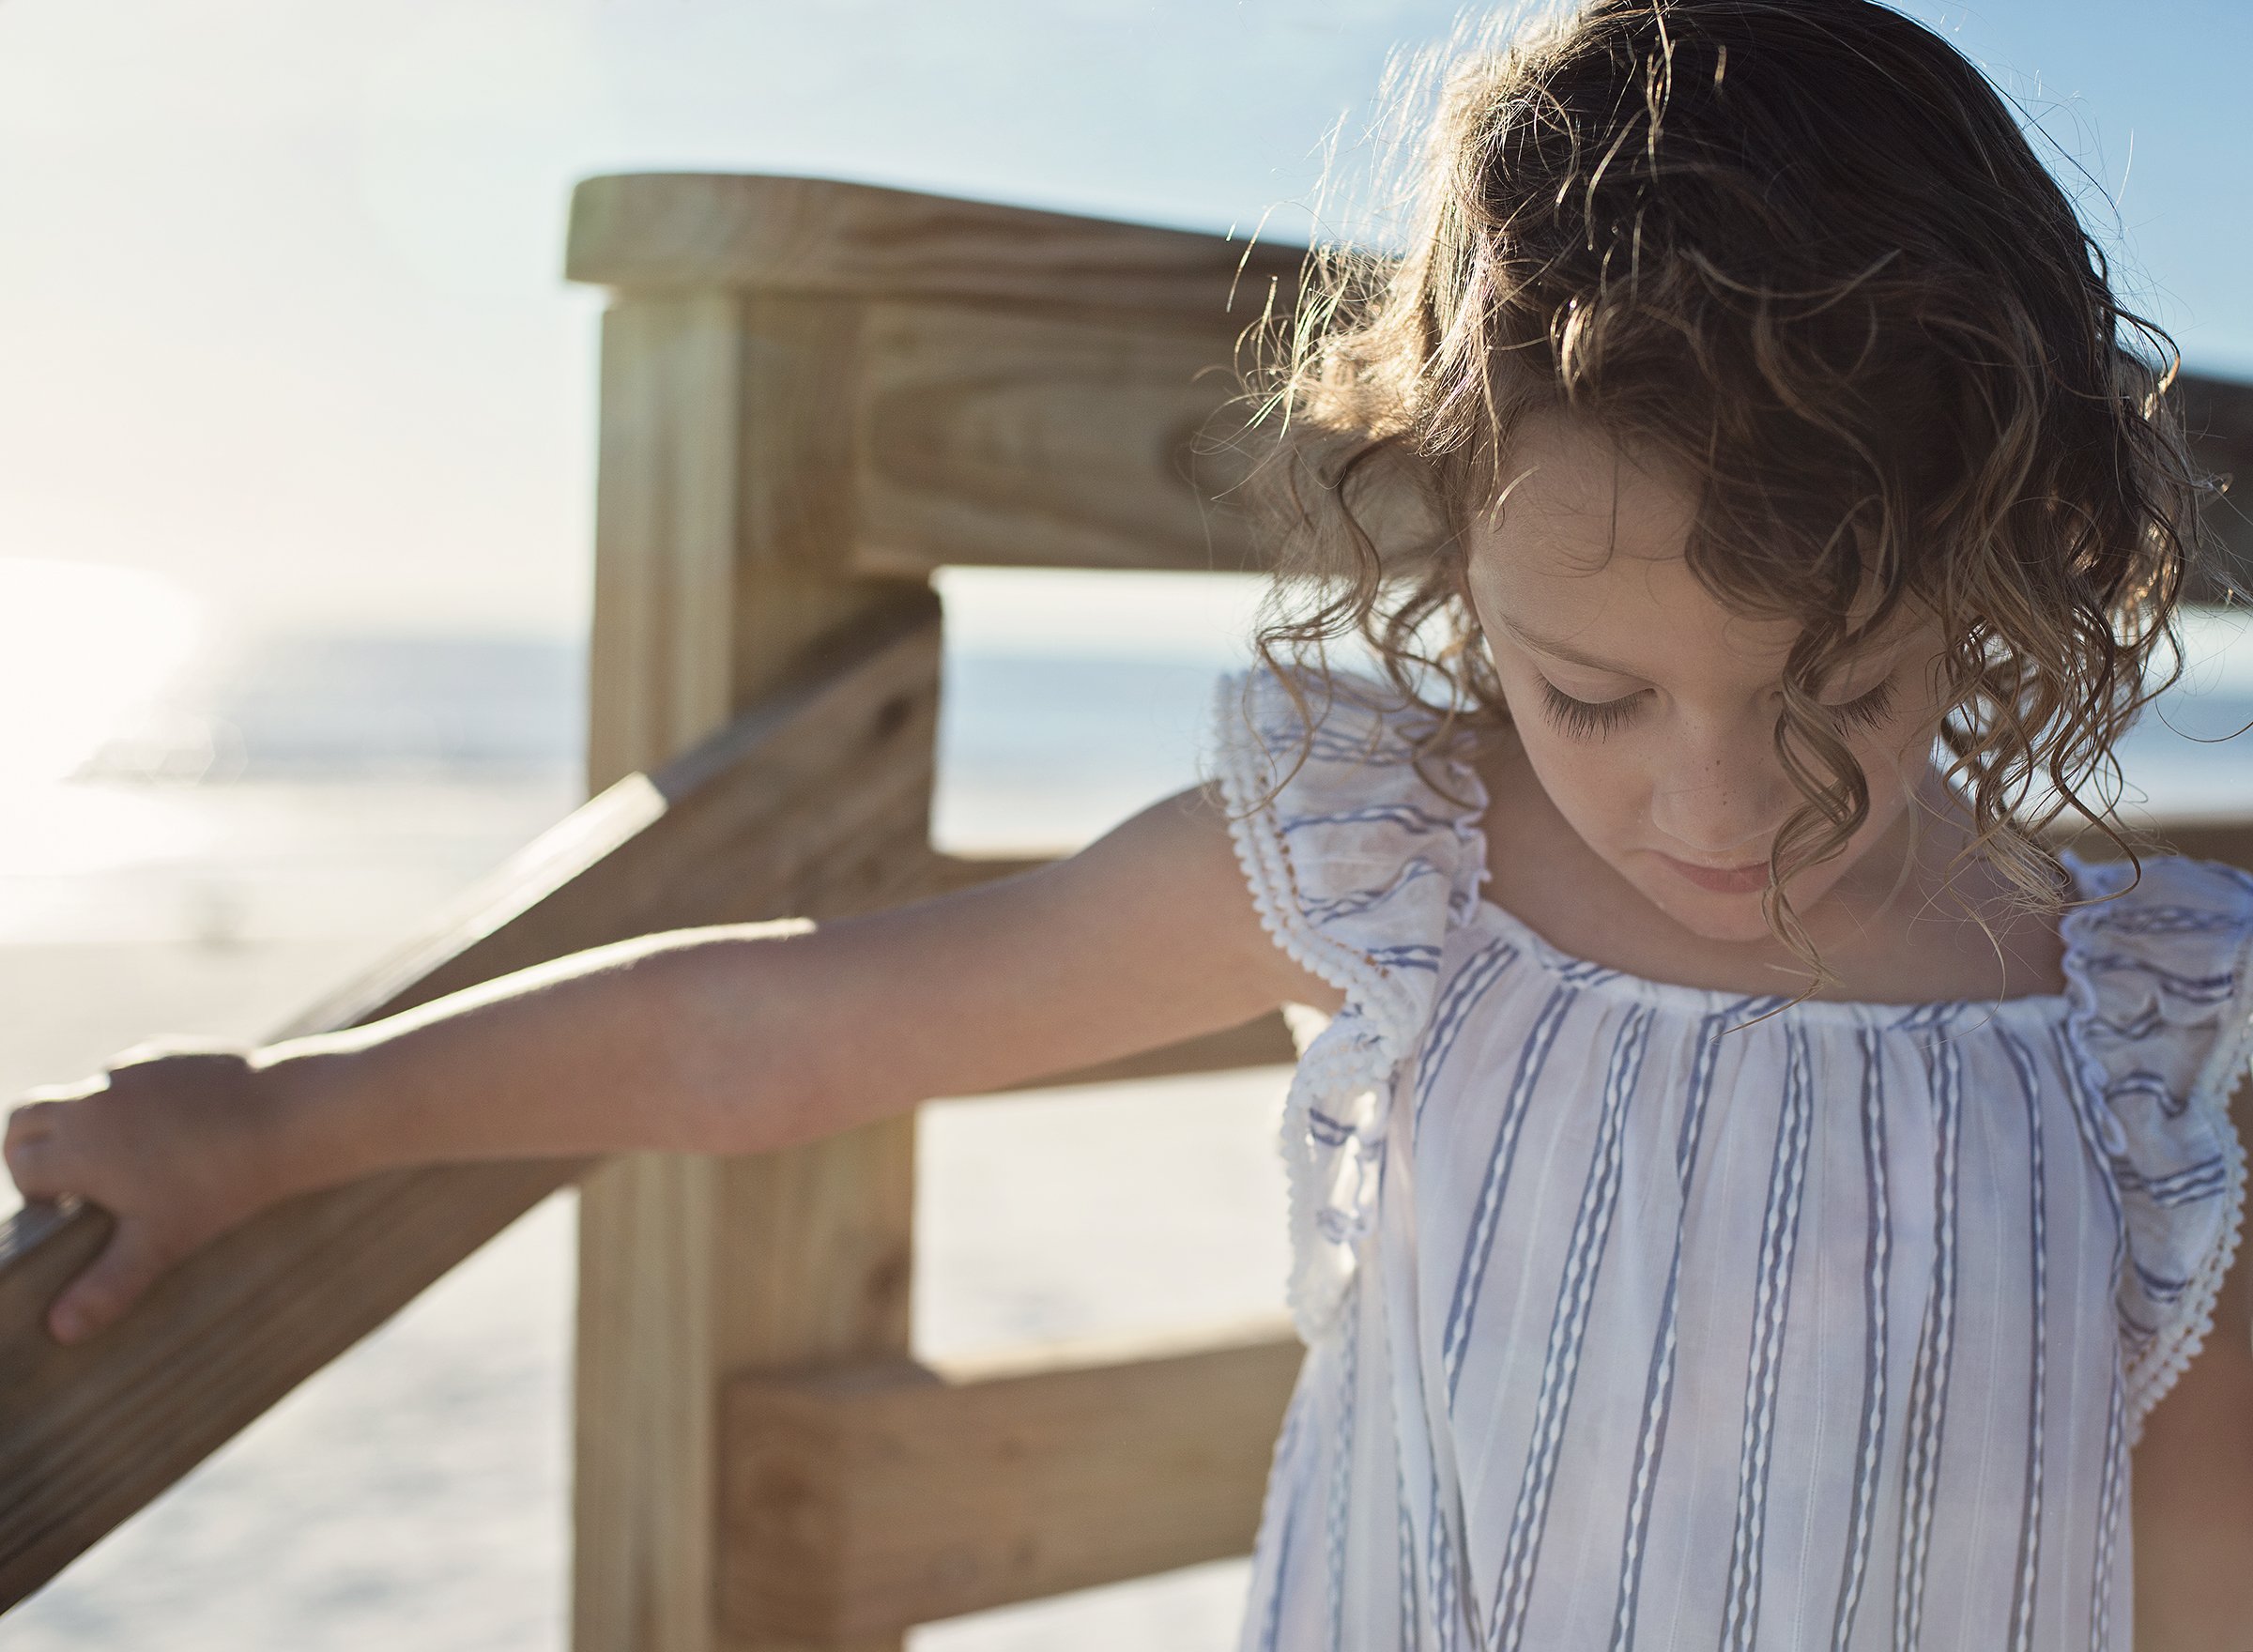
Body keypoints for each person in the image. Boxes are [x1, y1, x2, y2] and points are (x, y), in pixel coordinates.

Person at [9, 0, 2252, 1644]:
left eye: (1835, 691)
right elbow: (776, 1032)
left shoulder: (2145, 1042)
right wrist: (283, 1120)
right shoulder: (1408, 865)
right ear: (1453, 538)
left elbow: (2190, 1570)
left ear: (2009, 556)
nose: (1715, 798)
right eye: (1593, 691)